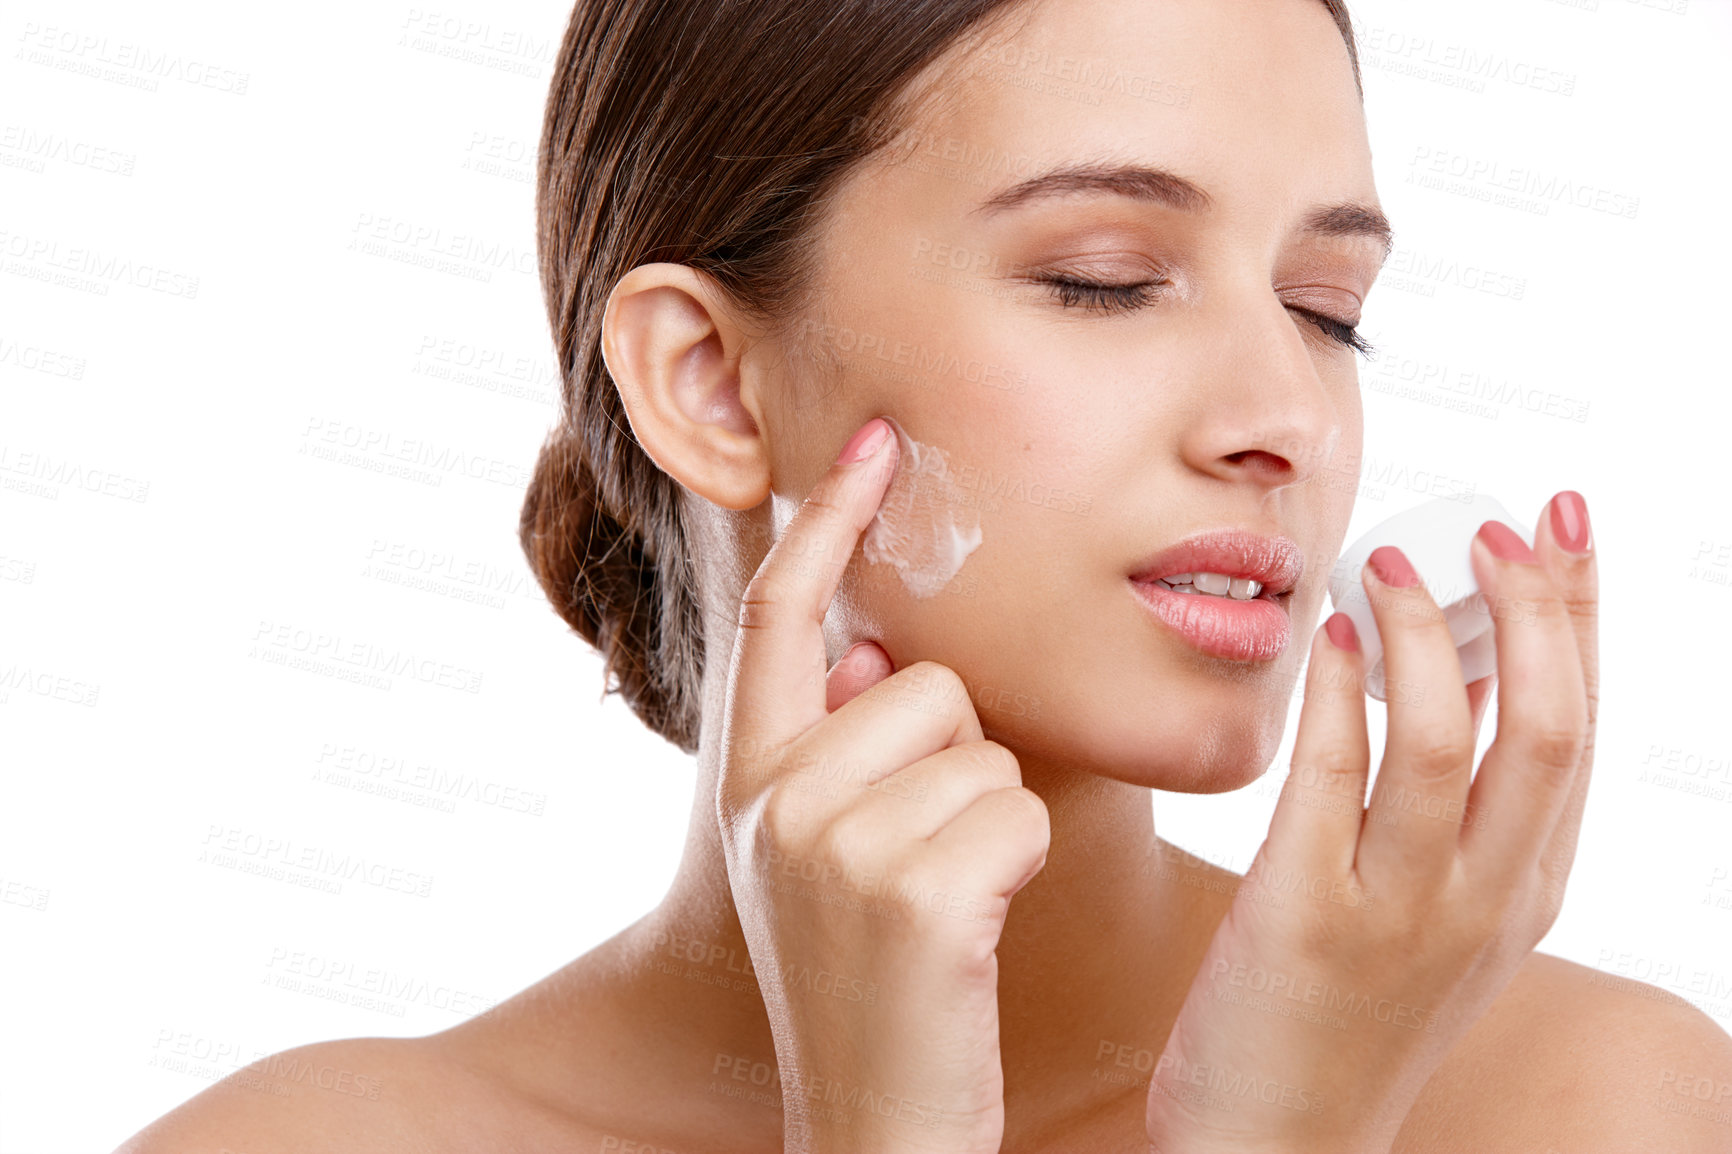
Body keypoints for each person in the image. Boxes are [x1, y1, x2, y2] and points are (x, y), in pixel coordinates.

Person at [118, 0, 1732, 1150]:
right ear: (711, 383)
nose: (1286, 418)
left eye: (1326, 307)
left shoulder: (1595, 1109)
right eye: (1103, 281)